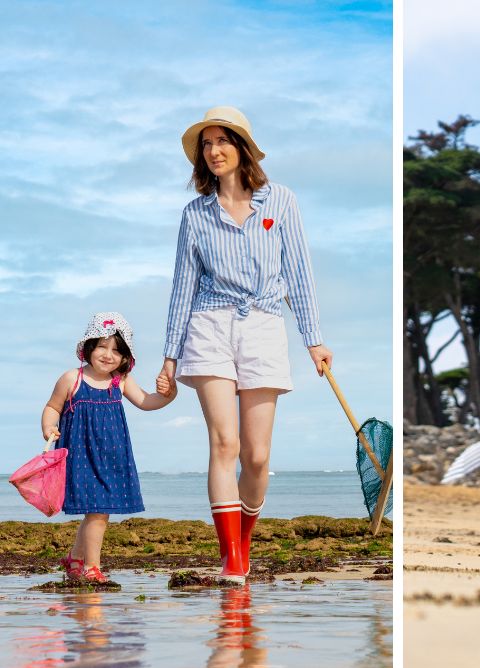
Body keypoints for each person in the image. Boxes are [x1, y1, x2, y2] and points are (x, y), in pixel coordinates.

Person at [158, 107, 333, 583]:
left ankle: (244, 540)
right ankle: (231, 558)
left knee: (256, 456)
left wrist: (313, 340)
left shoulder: (281, 201)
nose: (214, 151)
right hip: (209, 325)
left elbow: (299, 274)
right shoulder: (195, 215)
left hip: (264, 325)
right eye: (206, 144)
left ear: (242, 147)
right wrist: (170, 356)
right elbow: (182, 287)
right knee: (225, 443)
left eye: (222, 141)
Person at [42, 313, 177, 582]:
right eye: (102, 346)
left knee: (97, 511)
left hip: (113, 456)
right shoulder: (72, 379)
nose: (108, 354)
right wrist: (48, 427)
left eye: (116, 350)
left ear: (125, 357)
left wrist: (169, 396)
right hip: (81, 456)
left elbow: (146, 402)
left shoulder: (120, 381)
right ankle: (92, 567)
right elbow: (52, 407)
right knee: (98, 512)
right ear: (89, 347)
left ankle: (75, 560)